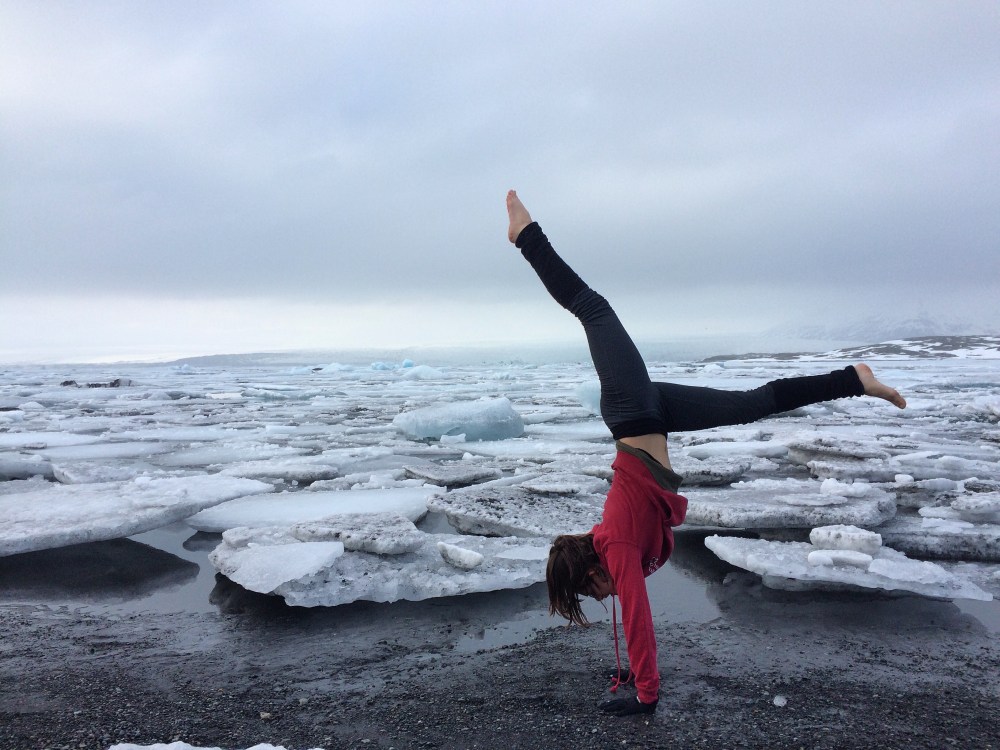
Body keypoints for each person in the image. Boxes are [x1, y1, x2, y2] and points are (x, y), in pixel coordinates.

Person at [504, 190, 906, 717]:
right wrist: (626, 668)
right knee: (752, 405)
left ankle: (525, 236)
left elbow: (639, 618)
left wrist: (645, 693)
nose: (602, 599)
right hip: (655, 416)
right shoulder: (614, 545)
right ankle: (853, 379)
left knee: (592, 308)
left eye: (591, 593)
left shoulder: (616, 546)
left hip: (631, 412)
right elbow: (643, 577)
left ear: (591, 573)